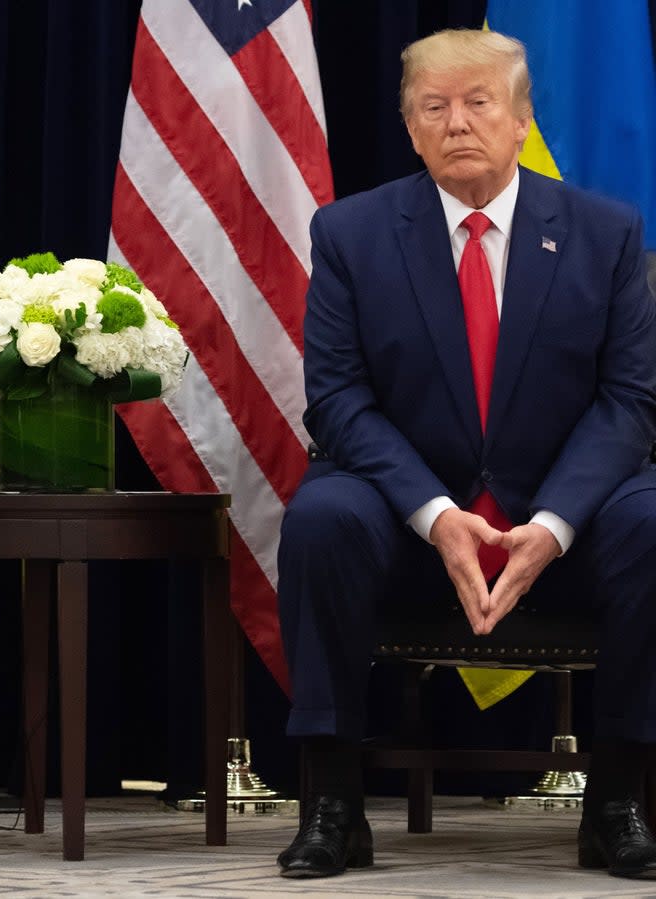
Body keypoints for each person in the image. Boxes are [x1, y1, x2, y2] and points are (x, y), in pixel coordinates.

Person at [276, 29, 656, 880]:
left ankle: (619, 799)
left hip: (565, 536)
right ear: (409, 128)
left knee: (653, 520)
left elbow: (629, 403)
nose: (457, 123)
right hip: (409, 529)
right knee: (322, 518)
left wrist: (552, 525)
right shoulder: (351, 233)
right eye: (433, 107)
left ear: (522, 119)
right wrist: (440, 515)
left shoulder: (606, 234)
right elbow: (338, 400)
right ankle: (332, 803)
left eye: (479, 103)